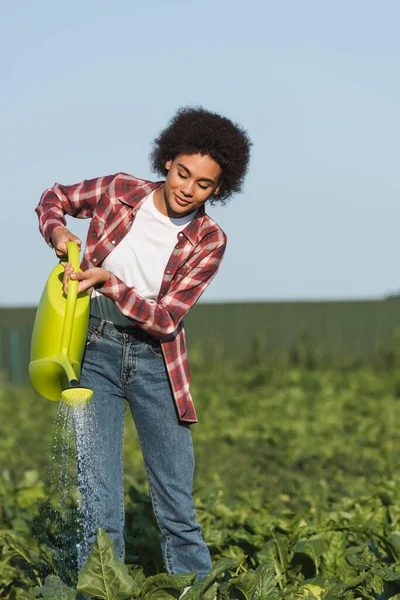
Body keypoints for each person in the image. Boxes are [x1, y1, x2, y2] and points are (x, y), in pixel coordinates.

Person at [35, 106, 252, 579]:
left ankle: (195, 588)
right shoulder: (119, 191)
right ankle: (103, 588)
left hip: (157, 362)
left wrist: (109, 282)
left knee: (177, 504)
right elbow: (54, 196)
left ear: (220, 189)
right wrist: (56, 228)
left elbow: (166, 317)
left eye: (203, 185)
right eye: (181, 173)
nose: (187, 189)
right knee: (100, 500)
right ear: (167, 160)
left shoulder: (209, 240)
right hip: (93, 349)